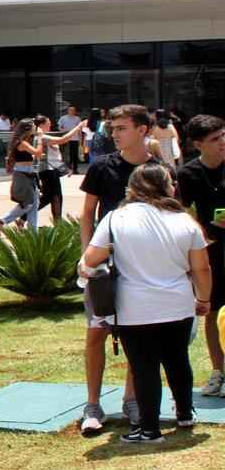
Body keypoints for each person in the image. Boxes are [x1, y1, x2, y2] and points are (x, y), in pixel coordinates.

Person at [82, 163, 211, 442]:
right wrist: (203, 298)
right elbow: (202, 269)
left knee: (144, 368)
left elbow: (90, 259)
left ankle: (149, 429)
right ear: (167, 187)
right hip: (179, 303)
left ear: (133, 188)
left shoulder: (116, 219)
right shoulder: (185, 220)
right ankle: (185, 414)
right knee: (178, 361)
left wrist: (85, 269)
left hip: (135, 308)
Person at [79, 104, 153, 436]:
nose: (115, 134)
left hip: (142, 268)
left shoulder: (158, 171)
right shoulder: (101, 168)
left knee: (138, 336)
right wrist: (86, 259)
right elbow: (87, 214)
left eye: (122, 128)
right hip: (103, 268)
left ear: (142, 130)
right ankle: (92, 405)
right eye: (113, 129)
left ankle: (131, 400)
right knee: (96, 332)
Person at [176, 114, 225, 397]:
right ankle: (218, 371)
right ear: (197, 144)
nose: (222, 143)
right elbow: (180, 211)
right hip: (210, 251)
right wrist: (199, 232)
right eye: (215, 139)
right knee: (212, 312)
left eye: (223, 136)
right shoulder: (187, 174)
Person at [35, 115, 86, 224]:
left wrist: (65, 168)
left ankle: (57, 222)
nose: (50, 124)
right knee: (49, 198)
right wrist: (78, 127)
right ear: (41, 125)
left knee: (55, 197)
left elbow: (55, 157)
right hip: (47, 171)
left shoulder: (43, 137)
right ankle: (23, 217)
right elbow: (63, 139)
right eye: (48, 123)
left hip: (52, 171)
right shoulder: (42, 138)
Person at [0, 118, 41, 232]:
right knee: (27, 204)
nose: (35, 128)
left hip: (28, 173)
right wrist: (40, 137)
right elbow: (38, 153)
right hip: (23, 174)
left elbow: (32, 156)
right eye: (33, 126)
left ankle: (32, 232)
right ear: (28, 129)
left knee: (34, 204)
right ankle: (2, 220)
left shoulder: (23, 142)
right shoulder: (22, 143)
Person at [58, 105, 83, 173]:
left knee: (74, 155)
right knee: (67, 155)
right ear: (68, 110)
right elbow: (60, 127)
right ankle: (68, 169)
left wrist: (80, 139)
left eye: (73, 110)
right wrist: (64, 132)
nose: (72, 111)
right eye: (70, 110)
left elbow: (80, 129)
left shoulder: (77, 118)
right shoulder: (63, 118)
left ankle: (75, 169)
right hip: (66, 139)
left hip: (75, 139)